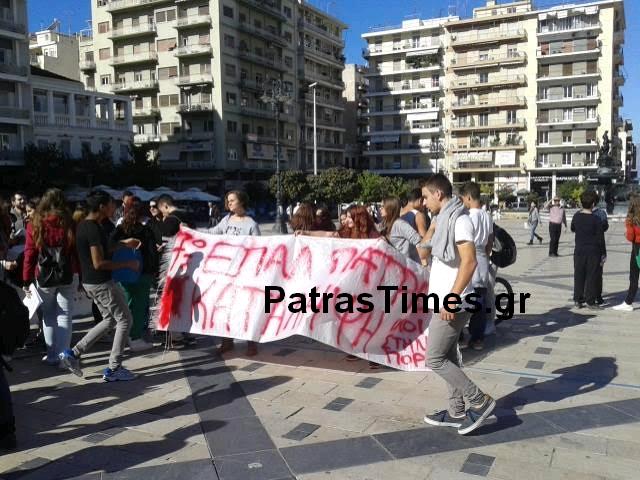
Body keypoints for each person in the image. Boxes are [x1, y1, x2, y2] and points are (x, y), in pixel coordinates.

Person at [421, 174, 495, 435]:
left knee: (434, 358)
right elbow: (423, 251)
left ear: (438, 194)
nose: (424, 201)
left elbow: (470, 262)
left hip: (455, 301)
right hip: (443, 298)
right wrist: (432, 224)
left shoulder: (460, 220)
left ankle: (478, 400)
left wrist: (451, 298)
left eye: (426, 196)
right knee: (449, 354)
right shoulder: (442, 220)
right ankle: (456, 411)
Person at [58, 190, 141, 382]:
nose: (115, 208)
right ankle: (114, 368)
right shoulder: (92, 228)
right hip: (101, 282)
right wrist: (127, 264)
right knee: (125, 320)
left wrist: (124, 244)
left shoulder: (88, 226)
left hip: (91, 282)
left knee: (110, 320)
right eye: (112, 204)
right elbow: (99, 262)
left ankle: (73, 353)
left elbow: (104, 249)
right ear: (102, 207)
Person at [22, 189, 80, 366]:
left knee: (48, 316)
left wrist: (26, 278)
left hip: (44, 276)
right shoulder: (69, 222)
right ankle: (64, 358)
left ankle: (52, 355)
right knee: (65, 316)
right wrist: (82, 275)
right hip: (68, 273)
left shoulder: (36, 223)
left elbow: (30, 254)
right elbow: (76, 252)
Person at [210, 191, 260, 355]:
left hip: (245, 274)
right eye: (228, 200)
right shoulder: (226, 220)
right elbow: (213, 233)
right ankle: (227, 341)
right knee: (226, 308)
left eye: (232, 200)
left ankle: (251, 343)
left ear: (241, 202)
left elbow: (259, 249)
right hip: (227, 273)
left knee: (246, 308)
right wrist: (191, 230)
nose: (229, 203)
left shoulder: (251, 223)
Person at [111, 199, 158, 352]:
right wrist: (154, 272)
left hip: (122, 272)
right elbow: (152, 253)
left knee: (125, 306)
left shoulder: (119, 230)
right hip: (142, 273)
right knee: (139, 307)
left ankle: (122, 337)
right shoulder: (146, 230)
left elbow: (109, 245)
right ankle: (135, 337)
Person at [459, 182, 493, 351]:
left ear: (469, 197)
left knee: (465, 299)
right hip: (483, 260)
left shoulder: (468, 216)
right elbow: (490, 241)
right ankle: (477, 338)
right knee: (480, 301)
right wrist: (485, 257)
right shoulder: (487, 216)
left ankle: (460, 335)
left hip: (469, 257)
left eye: (463, 198)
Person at [570, 190, 606, 310]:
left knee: (579, 275)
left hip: (579, 251)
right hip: (593, 252)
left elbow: (573, 228)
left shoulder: (576, 216)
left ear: (581, 203)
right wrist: (603, 254)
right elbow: (601, 239)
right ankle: (590, 301)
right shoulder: (596, 220)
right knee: (591, 276)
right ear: (593, 204)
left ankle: (578, 300)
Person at [612, 194, 640, 312]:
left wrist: (626, 234)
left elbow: (630, 236)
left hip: (637, 249)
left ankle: (628, 302)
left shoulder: (631, 219)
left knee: (634, 277)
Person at [380, 197, 426, 264]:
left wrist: (424, 263)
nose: (380, 208)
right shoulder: (384, 224)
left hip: (405, 266)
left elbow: (418, 240)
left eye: (382, 206)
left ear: (390, 208)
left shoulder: (399, 224)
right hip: (393, 266)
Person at [591, 195, 609, 306]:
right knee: (598, 273)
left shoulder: (581, 213)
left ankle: (585, 295)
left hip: (586, 246)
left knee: (586, 272)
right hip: (599, 246)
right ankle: (598, 296)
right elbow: (605, 227)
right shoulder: (601, 213)